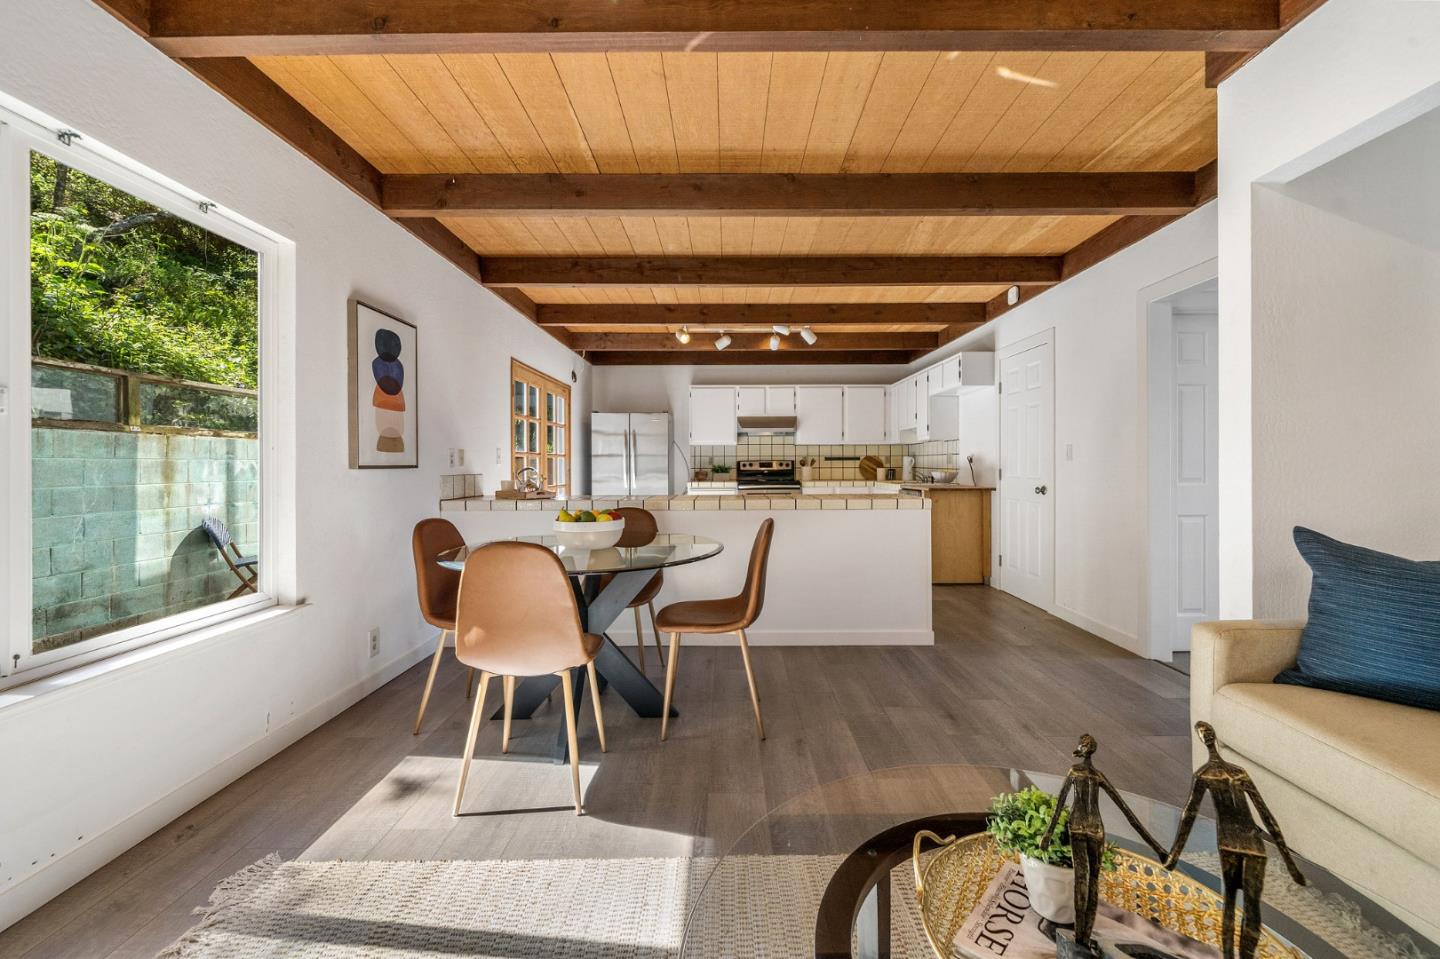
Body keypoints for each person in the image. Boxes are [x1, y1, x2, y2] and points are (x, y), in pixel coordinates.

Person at [1164, 722, 1306, 959]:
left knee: (1230, 903)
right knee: (1251, 907)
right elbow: (1266, 817)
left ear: (1202, 740)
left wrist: (1173, 855)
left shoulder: (1205, 774)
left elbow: (1189, 815)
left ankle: (1229, 954)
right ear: (1214, 739)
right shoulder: (1238, 772)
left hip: (1229, 841)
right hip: (1252, 841)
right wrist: (1290, 864)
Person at [1041, 734, 1168, 953]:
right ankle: (1084, 938)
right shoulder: (1097, 775)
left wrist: (1048, 834)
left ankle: (1080, 939)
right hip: (1096, 828)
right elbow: (1126, 811)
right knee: (1093, 883)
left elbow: (1060, 804)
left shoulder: (1074, 772)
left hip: (1078, 826)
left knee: (1082, 881)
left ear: (1082, 749)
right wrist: (1156, 847)